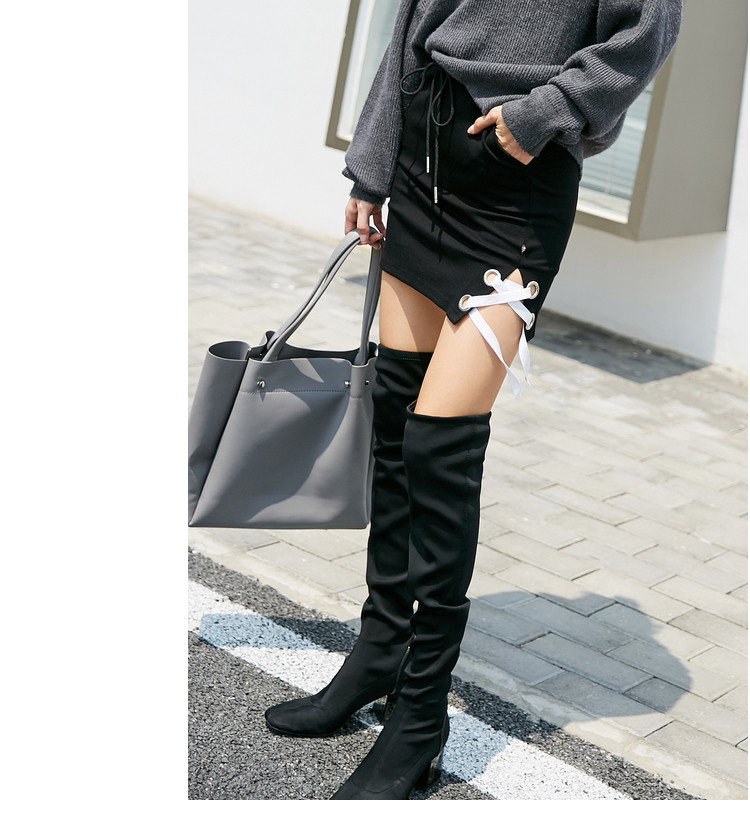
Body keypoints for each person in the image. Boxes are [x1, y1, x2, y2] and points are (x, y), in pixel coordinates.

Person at [266, 0, 683, 800]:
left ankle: (421, 715)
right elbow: (410, 23)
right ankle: (377, 655)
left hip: (515, 180)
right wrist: (371, 164)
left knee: (438, 443)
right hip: (421, 154)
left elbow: (648, 32)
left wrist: (545, 111)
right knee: (395, 424)